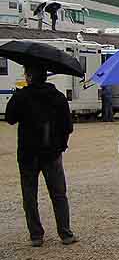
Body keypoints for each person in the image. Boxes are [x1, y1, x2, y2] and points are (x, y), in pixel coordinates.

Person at [5, 64, 77, 246]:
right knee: (59, 194)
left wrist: (17, 96)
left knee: (29, 195)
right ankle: (65, 233)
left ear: (29, 77)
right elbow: (68, 127)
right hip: (52, 152)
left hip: (27, 153)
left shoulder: (22, 96)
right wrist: (61, 145)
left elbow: (10, 118)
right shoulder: (58, 97)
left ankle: (36, 235)